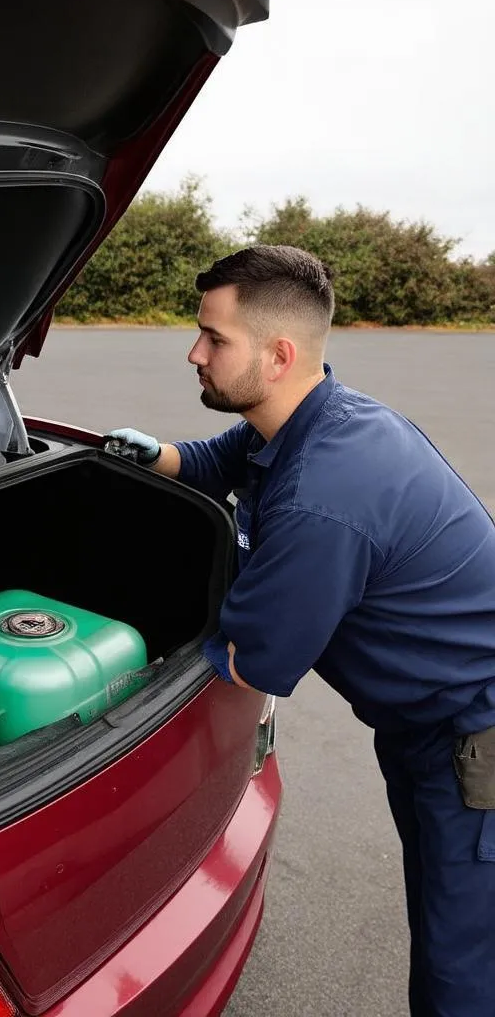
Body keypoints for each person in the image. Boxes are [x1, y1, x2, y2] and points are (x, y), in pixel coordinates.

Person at [107, 244, 495, 1017]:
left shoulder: (326, 493)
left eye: (214, 339)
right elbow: (220, 460)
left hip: (473, 742)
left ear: (279, 354)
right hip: (425, 724)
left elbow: (251, 661)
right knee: (443, 921)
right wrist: (155, 457)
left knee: (463, 971)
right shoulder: (308, 416)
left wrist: (108, 673)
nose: (195, 351)